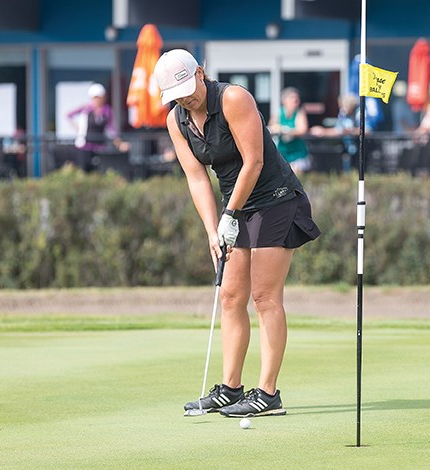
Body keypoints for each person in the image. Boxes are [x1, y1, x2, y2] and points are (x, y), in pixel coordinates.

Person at [153, 49, 320, 418]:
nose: (185, 98)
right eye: (175, 94)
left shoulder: (233, 98)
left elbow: (254, 161)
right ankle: (230, 388)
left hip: (274, 198)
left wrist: (230, 213)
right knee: (230, 296)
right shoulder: (176, 120)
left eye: (187, 87)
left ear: (201, 72)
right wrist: (213, 229)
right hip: (236, 206)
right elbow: (196, 178)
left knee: (264, 297)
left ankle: (268, 393)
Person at [66, 83, 129, 172]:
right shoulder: (86, 109)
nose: (97, 100)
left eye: (99, 97)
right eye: (94, 97)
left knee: (100, 171)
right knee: (83, 171)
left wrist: (119, 143)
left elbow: (111, 130)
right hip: (84, 146)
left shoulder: (107, 111)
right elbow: (69, 115)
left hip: (100, 147)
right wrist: (78, 128)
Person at [309, 93, 379, 172]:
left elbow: (367, 130)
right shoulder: (343, 113)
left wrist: (350, 131)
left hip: (362, 150)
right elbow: (338, 129)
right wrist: (323, 132)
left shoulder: (361, 112)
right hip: (348, 148)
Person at [268, 87, 311, 174]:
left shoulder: (299, 113)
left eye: (297, 99)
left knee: (295, 174)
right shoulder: (279, 112)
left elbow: (302, 130)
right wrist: (275, 129)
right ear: (284, 101)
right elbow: (271, 128)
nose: (295, 101)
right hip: (282, 153)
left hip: (297, 153)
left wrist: (285, 130)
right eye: (292, 99)